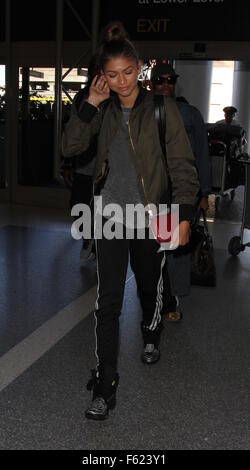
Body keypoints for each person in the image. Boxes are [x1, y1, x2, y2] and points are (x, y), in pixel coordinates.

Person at [62, 23, 199, 421]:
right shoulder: (100, 108)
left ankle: (152, 334)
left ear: (139, 67)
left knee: (148, 283)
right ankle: (106, 385)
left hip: (150, 215)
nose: (121, 82)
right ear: (102, 74)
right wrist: (89, 101)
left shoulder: (161, 108)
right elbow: (69, 147)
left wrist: (185, 215)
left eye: (127, 72)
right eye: (112, 74)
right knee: (107, 303)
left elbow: (182, 166)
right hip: (108, 216)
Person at [151, 62, 211, 321]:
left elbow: (202, 155)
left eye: (170, 80)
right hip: (150, 193)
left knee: (174, 248)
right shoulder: (142, 113)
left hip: (180, 193)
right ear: (151, 83)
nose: (165, 85)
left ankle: (172, 299)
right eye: (160, 80)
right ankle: (152, 296)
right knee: (150, 250)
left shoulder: (190, 114)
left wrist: (204, 193)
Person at [61, 55, 100, 261]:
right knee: (78, 208)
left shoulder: (114, 99)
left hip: (105, 169)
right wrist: (67, 164)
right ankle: (89, 237)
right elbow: (70, 132)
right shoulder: (82, 97)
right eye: (94, 70)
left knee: (105, 213)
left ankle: (96, 243)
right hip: (83, 165)